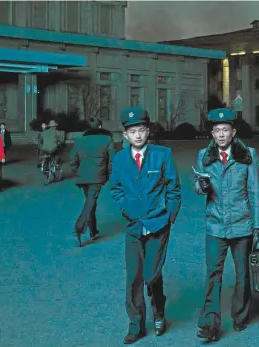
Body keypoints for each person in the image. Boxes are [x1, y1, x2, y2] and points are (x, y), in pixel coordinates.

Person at [109, 107, 181, 344]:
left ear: (148, 131)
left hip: (158, 224)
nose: (138, 135)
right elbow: (116, 188)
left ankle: (158, 309)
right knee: (134, 278)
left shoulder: (162, 155)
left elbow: (173, 188)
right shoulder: (119, 158)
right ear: (125, 135)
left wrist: (169, 215)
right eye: (132, 131)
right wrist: (125, 209)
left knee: (151, 275)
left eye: (141, 130)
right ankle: (135, 325)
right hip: (133, 226)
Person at [193, 108, 259, 342]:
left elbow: (254, 192)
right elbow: (197, 186)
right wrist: (201, 187)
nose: (221, 135)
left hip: (242, 226)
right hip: (215, 226)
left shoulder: (248, 154)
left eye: (225, 130)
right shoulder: (204, 155)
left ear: (233, 132)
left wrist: (258, 227)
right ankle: (209, 324)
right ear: (212, 133)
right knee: (213, 274)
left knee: (243, 274)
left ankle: (240, 316)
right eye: (217, 131)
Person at [70, 118, 116, 245]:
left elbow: (72, 159)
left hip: (83, 175)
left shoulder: (80, 140)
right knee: (91, 201)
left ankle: (93, 231)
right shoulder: (107, 140)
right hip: (98, 175)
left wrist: (77, 171)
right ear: (100, 127)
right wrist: (110, 175)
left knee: (91, 201)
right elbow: (112, 161)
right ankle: (78, 229)